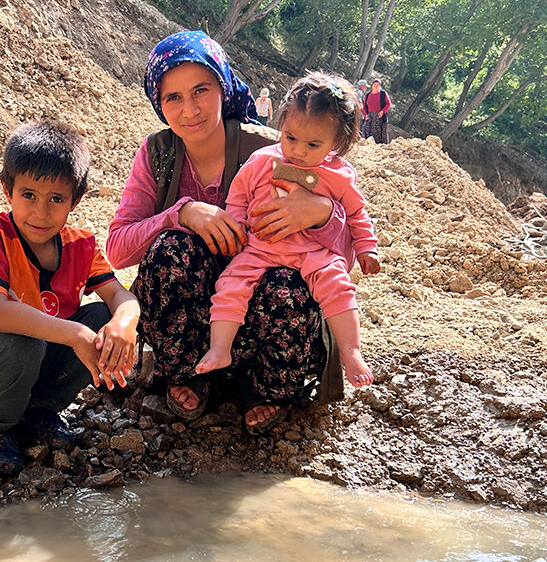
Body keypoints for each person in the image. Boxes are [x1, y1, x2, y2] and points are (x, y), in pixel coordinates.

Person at [107, 31, 349, 435]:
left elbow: (346, 253)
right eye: (173, 98)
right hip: (194, 325)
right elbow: (117, 249)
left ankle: (263, 387)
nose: (189, 110)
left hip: (262, 320)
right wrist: (180, 214)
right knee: (171, 248)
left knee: (287, 281)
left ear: (223, 86)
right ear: (158, 103)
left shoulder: (276, 151)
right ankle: (189, 374)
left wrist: (322, 212)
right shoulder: (158, 155)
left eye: (201, 90)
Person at [0, 120, 140, 475]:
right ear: (7, 189)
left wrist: (124, 323)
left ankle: (36, 409)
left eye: (56, 199)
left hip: (33, 354)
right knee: (23, 342)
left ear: (76, 198)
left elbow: (120, 295)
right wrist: (76, 335)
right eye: (29, 195)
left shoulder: (80, 245)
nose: (41, 212)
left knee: (103, 319)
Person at [196, 72, 380, 387]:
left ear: (336, 143)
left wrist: (367, 248)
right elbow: (238, 198)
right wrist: (237, 229)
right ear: (282, 126)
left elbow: (356, 213)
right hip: (260, 248)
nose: (298, 150)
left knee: (338, 288)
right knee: (230, 285)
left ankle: (351, 352)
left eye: (313, 144)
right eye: (291, 137)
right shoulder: (260, 161)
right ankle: (220, 348)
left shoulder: (338, 174)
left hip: (315, 253)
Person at [364, 78, 391, 143]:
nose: (376, 86)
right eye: (374, 84)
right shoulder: (368, 95)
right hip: (370, 115)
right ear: (372, 85)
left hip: (379, 115)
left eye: (377, 84)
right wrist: (365, 115)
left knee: (379, 133)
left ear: (380, 85)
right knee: (366, 131)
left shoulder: (383, 94)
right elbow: (364, 106)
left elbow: (388, 104)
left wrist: (382, 112)